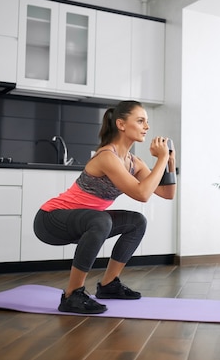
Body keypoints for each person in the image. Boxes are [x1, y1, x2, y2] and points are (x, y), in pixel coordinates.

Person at [33, 100, 176, 314]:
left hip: (85, 221)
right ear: (121, 124)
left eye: (147, 122)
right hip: (51, 219)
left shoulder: (133, 162)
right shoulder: (107, 157)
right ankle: (72, 294)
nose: (146, 127)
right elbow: (142, 194)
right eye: (140, 121)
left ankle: (109, 284)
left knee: (137, 222)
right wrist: (161, 158)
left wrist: (169, 163)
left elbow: (167, 193)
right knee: (101, 220)